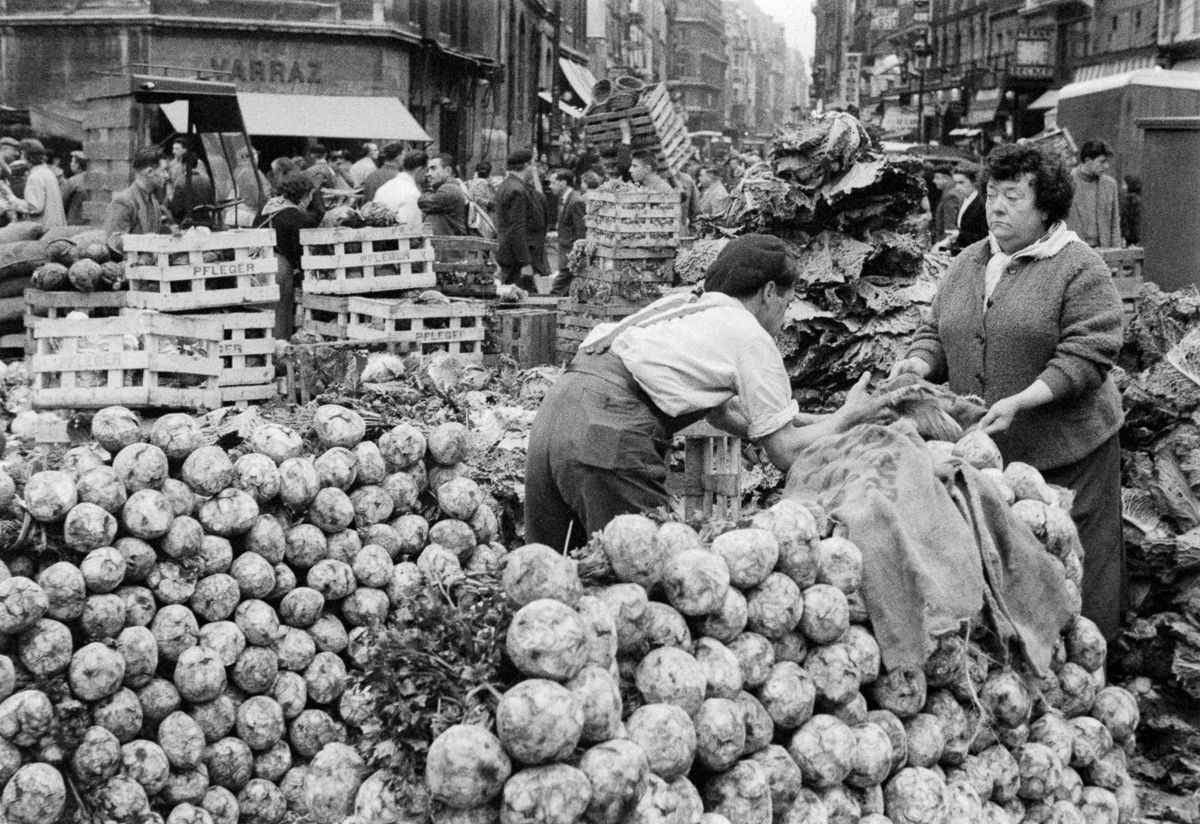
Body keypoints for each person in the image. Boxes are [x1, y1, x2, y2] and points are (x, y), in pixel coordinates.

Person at [890, 143, 1125, 639]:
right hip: (996, 457)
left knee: (1073, 570)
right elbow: (937, 331)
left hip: (1069, 452)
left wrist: (1024, 398)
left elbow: (1088, 353)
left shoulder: (1079, 267)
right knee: (1011, 574)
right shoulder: (969, 262)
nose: (995, 206)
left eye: (1013, 197)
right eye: (992, 193)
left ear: (1046, 207)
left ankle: (1092, 669)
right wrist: (917, 363)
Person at [525, 234, 872, 550]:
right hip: (607, 434)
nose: (784, 316)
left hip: (554, 415)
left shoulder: (686, 306)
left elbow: (725, 414)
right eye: (787, 303)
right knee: (647, 574)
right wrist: (847, 416)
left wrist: (811, 420)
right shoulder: (749, 336)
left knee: (554, 574)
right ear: (769, 292)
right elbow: (783, 452)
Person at [256, 171, 322, 341]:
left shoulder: (266, 210)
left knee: (262, 316)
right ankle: (279, 357)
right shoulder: (296, 217)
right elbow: (299, 256)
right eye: (310, 196)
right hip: (280, 271)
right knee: (280, 315)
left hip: (257, 268)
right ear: (304, 195)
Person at [104, 148, 171, 251]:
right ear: (149, 172)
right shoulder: (123, 202)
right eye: (163, 170)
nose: (167, 175)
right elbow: (114, 242)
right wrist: (146, 241)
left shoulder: (153, 200)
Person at [495, 148, 537, 292]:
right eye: (533, 164)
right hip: (515, 259)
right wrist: (525, 262)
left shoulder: (505, 185)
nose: (534, 169)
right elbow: (517, 228)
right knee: (518, 299)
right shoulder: (517, 190)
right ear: (526, 166)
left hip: (506, 253)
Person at [1067, 140, 1121, 248]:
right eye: (1102, 161)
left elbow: (1114, 223)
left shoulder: (1110, 185)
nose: (1107, 166)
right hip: (1075, 251)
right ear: (1088, 160)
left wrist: (1116, 255)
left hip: (1104, 253)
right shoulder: (1067, 183)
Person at [548, 169, 587, 297]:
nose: (550, 186)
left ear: (563, 183)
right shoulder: (568, 199)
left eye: (553, 183)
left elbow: (581, 231)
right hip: (566, 254)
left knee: (558, 289)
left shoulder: (576, 201)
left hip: (570, 255)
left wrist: (576, 256)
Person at [417, 154, 468, 236]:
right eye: (428, 170)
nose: (428, 174)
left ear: (447, 171)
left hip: (449, 246)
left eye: (433, 168)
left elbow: (423, 202)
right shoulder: (444, 188)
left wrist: (427, 188)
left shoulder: (449, 189)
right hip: (446, 245)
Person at [373, 150, 425, 228]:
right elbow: (409, 228)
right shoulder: (413, 193)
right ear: (420, 170)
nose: (427, 175)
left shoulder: (384, 187)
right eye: (426, 170)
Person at [21, 139, 66, 228]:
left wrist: (13, 201)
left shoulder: (35, 177)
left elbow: (35, 207)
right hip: (55, 227)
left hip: (43, 229)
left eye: (22, 154)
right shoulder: (48, 172)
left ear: (28, 155)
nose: (21, 158)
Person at [168, 151, 217, 227]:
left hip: (188, 223)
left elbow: (177, 209)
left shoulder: (180, 182)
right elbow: (211, 201)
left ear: (184, 164)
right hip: (207, 221)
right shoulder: (206, 180)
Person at [230, 146, 269, 228]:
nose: (257, 159)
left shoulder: (237, 171)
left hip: (236, 213)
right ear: (245, 157)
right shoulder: (250, 172)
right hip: (249, 214)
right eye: (255, 155)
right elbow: (256, 198)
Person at [952, 168, 987, 252]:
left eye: (961, 182)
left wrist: (959, 235)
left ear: (974, 182)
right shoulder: (963, 200)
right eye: (955, 183)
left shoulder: (981, 203)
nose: (957, 187)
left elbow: (985, 236)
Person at [931, 167, 961, 243]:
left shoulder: (950, 196)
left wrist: (942, 244)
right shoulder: (947, 193)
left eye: (937, 178)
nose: (934, 181)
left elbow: (950, 225)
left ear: (946, 179)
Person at [60, 151, 89, 225]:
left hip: (74, 220)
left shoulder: (73, 181)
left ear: (78, 165)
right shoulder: (92, 179)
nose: (70, 164)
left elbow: (62, 200)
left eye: (72, 162)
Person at [1120, 175, 1141, 247]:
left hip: (1130, 238)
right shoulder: (1140, 198)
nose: (1122, 187)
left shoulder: (1129, 200)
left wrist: (1123, 235)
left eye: (1124, 184)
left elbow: (1124, 220)